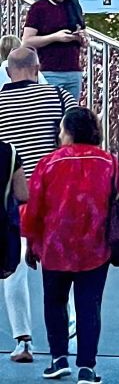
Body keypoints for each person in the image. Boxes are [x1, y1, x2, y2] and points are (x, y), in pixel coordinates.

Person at [22, 105, 119, 383]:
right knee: (89, 305)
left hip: (55, 246)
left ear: (69, 132)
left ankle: (58, 359)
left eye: (62, 129)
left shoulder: (49, 163)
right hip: (96, 246)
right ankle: (87, 367)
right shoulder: (110, 163)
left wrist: (31, 241)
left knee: (54, 302)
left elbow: (34, 206)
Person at [0, 47, 76, 365]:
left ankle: (23, 342)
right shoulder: (60, 97)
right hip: (53, 198)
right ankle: (67, 332)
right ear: (38, 68)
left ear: (7, 72)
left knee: (14, 272)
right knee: (59, 267)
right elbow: (78, 139)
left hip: (11, 199)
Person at [22, 0, 86, 101]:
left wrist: (82, 38)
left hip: (73, 70)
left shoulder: (73, 3)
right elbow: (27, 41)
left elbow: (83, 30)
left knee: (71, 117)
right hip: (49, 71)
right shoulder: (38, 8)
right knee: (50, 114)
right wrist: (55, 37)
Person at [0, 137, 30, 361]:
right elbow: (22, 194)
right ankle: (23, 341)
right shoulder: (9, 152)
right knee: (15, 278)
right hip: (3, 232)